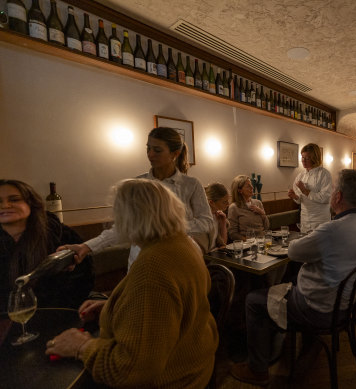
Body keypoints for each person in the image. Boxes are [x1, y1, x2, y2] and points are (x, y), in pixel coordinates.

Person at [46, 179, 218, 388]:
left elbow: (129, 370)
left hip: (173, 378)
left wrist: (81, 346)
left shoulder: (153, 266)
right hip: (195, 361)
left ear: (130, 217)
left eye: (117, 213)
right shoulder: (183, 243)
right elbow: (170, 308)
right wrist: (115, 306)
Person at [230, 170, 356, 386]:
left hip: (317, 309)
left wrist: (312, 238)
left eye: (334, 189)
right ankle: (298, 345)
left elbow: (294, 252)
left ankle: (258, 368)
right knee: (285, 282)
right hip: (343, 307)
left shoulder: (332, 230)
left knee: (253, 300)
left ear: (338, 197)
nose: (332, 193)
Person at [62, 127, 214, 269]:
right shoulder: (138, 185)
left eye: (157, 150)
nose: (150, 154)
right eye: (148, 148)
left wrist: (168, 226)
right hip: (141, 259)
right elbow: (122, 227)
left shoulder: (191, 185)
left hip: (178, 257)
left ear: (175, 154)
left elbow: (206, 222)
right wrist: (87, 246)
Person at [0, 180, 94, 312]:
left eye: (14, 200)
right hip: (7, 322)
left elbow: (83, 281)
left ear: (31, 203)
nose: (5, 205)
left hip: (55, 315)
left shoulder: (59, 234)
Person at [288, 143, 333, 232]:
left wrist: (306, 191)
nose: (303, 160)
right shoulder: (300, 176)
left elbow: (326, 198)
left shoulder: (324, 174)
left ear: (315, 158)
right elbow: (300, 200)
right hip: (305, 219)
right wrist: (295, 197)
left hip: (320, 220)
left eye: (307, 158)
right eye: (302, 157)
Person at [228, 175, 269, 241]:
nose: (252, 187)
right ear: (239, 190)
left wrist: (262, 213)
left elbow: (267, 226)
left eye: (251, 185)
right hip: (246, 245)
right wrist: (249, 241)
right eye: (248, 186)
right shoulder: (234, 207)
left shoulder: (258, 203)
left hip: (263, 240)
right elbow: (232, 233)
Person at [205, 183, 230, 250]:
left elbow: (223, 243)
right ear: (211, 203)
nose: (228, 204)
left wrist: (223, 222)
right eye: (224, 202)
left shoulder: (218, 215)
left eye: (228, 200)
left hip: (216, 255)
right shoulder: (202, 220)